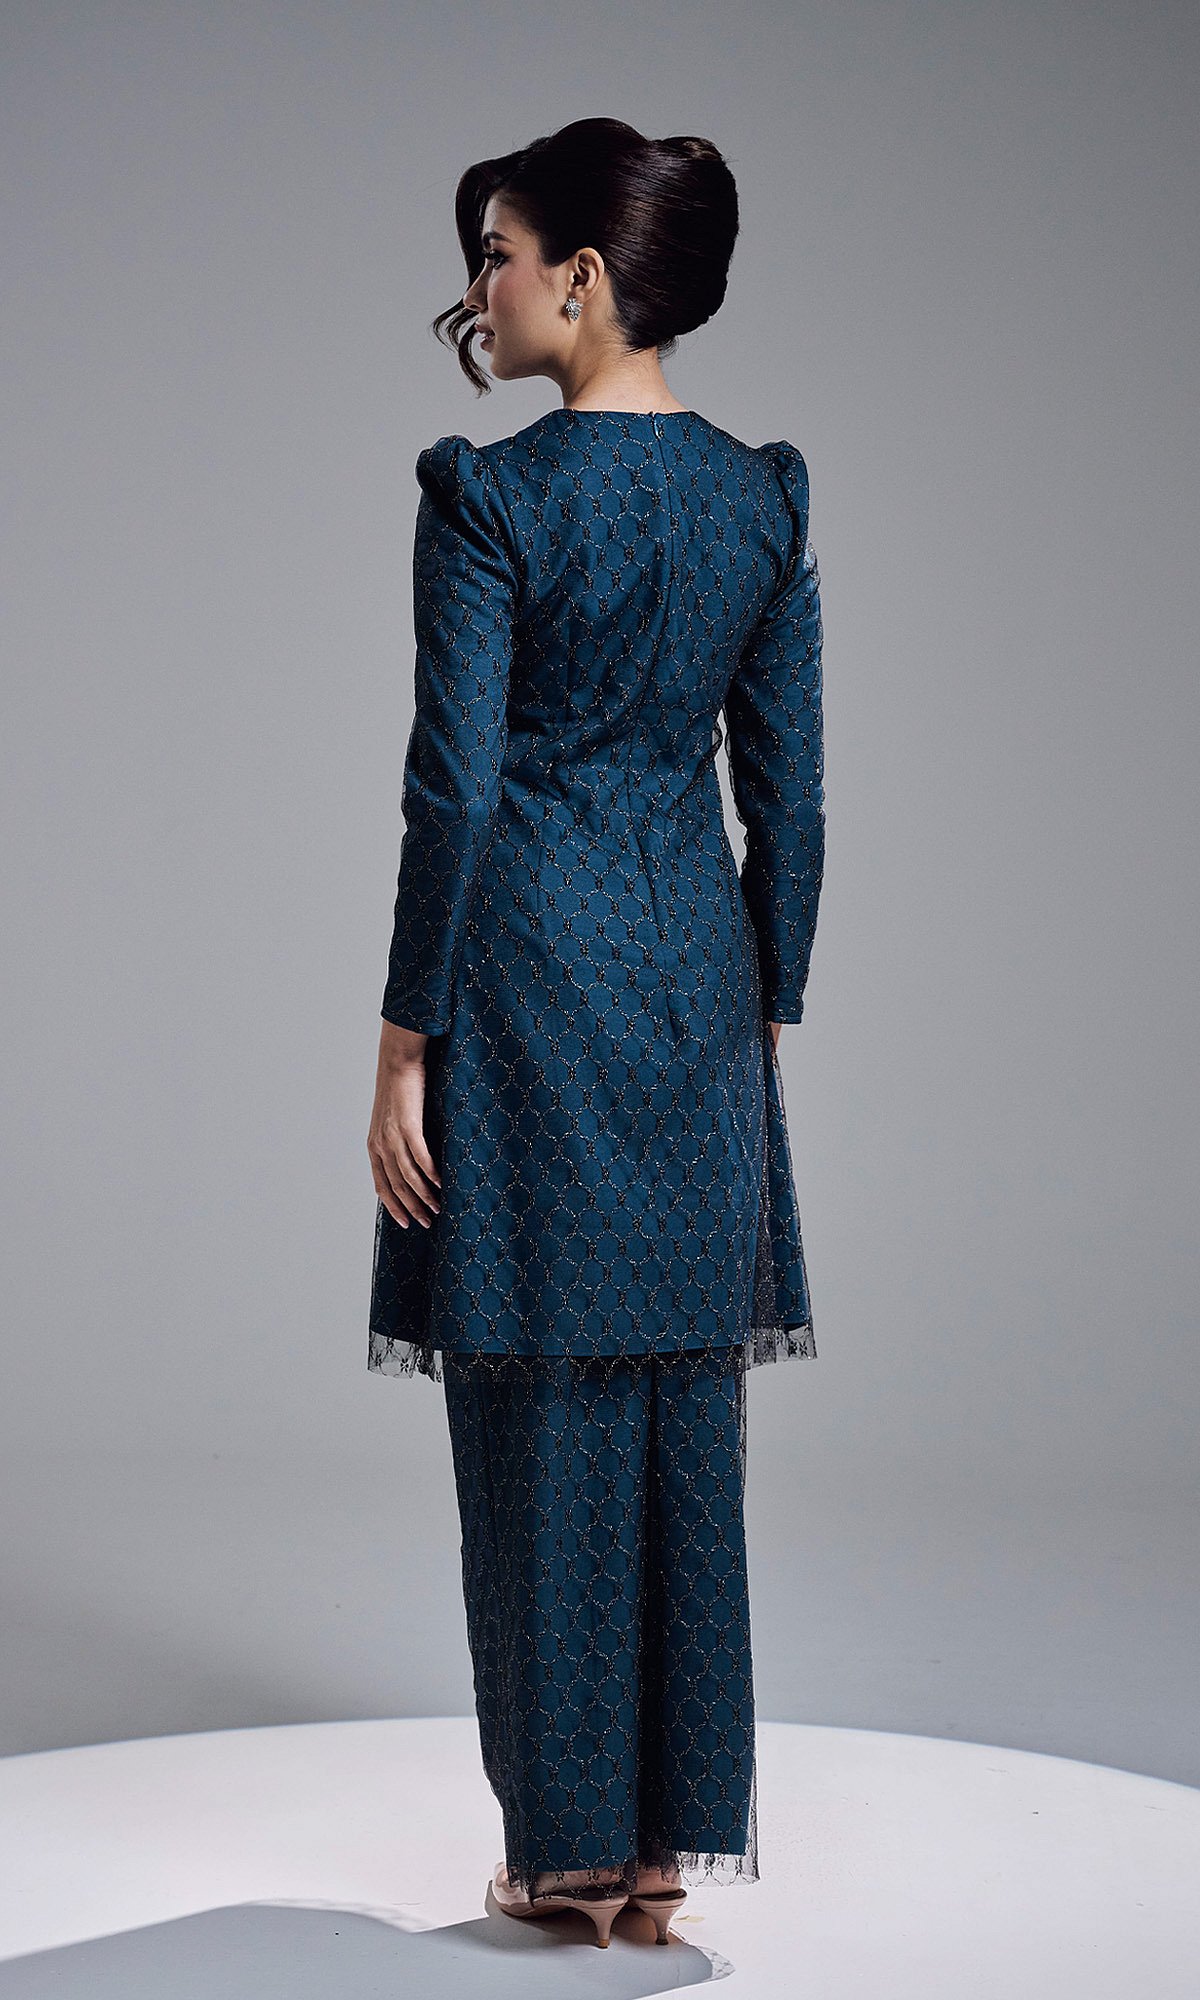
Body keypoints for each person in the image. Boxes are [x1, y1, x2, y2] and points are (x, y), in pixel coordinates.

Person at [366, 116, 825, 1949]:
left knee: (535, 1409)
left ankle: (563, 1849)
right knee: (684, 1418)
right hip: (696, 983)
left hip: (526, 977)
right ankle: (659, 1858)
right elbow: (789, 801)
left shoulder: (492, 497)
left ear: (581, 276)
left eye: (494, 253)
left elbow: (453, 791)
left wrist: (404, 1035)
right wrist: (766, 1001)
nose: (475, 291)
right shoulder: (761, 498)